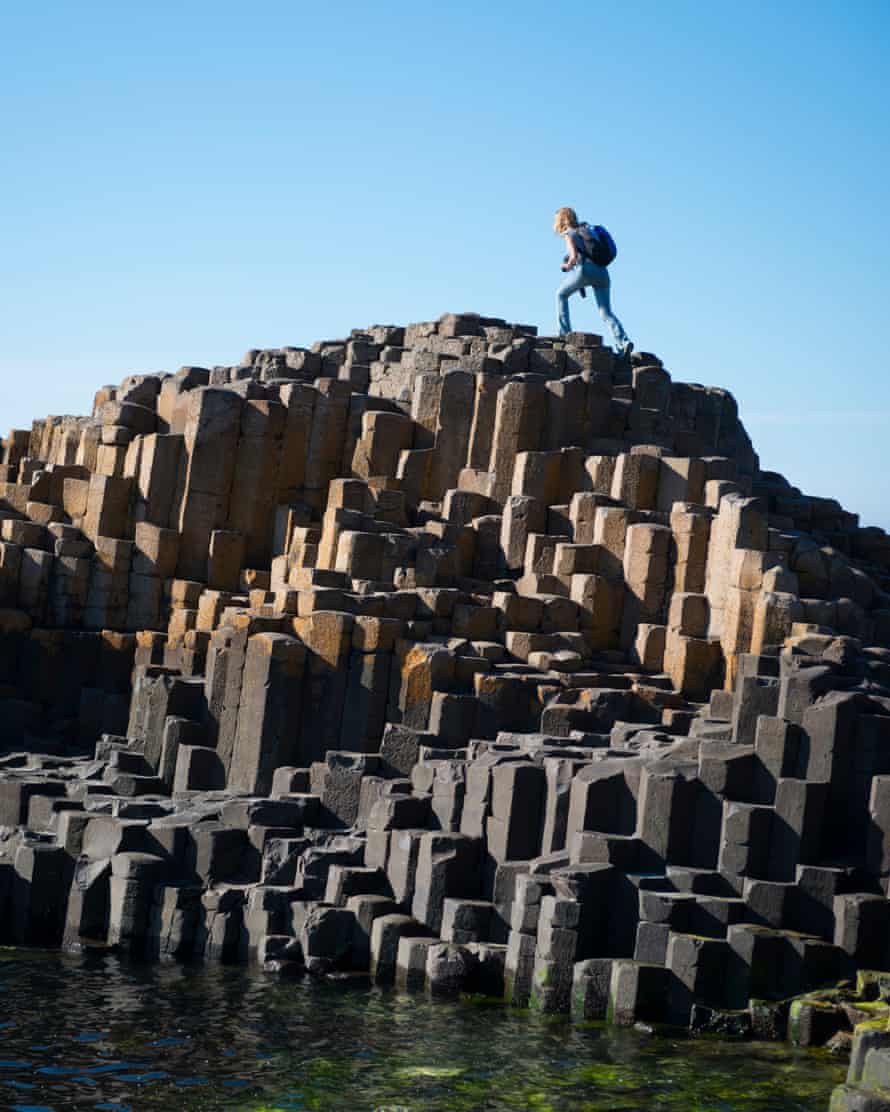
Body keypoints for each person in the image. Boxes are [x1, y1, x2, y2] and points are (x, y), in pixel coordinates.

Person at [554, 206, 633, 356]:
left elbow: (572, 256)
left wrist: (566, 266)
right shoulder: (587, 230)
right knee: (606, 312)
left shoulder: (569, 233)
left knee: (561, 295)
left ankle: (564, 333)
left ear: (562, 220)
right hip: (603, 272)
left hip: (586, 271)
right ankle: (623, 342)